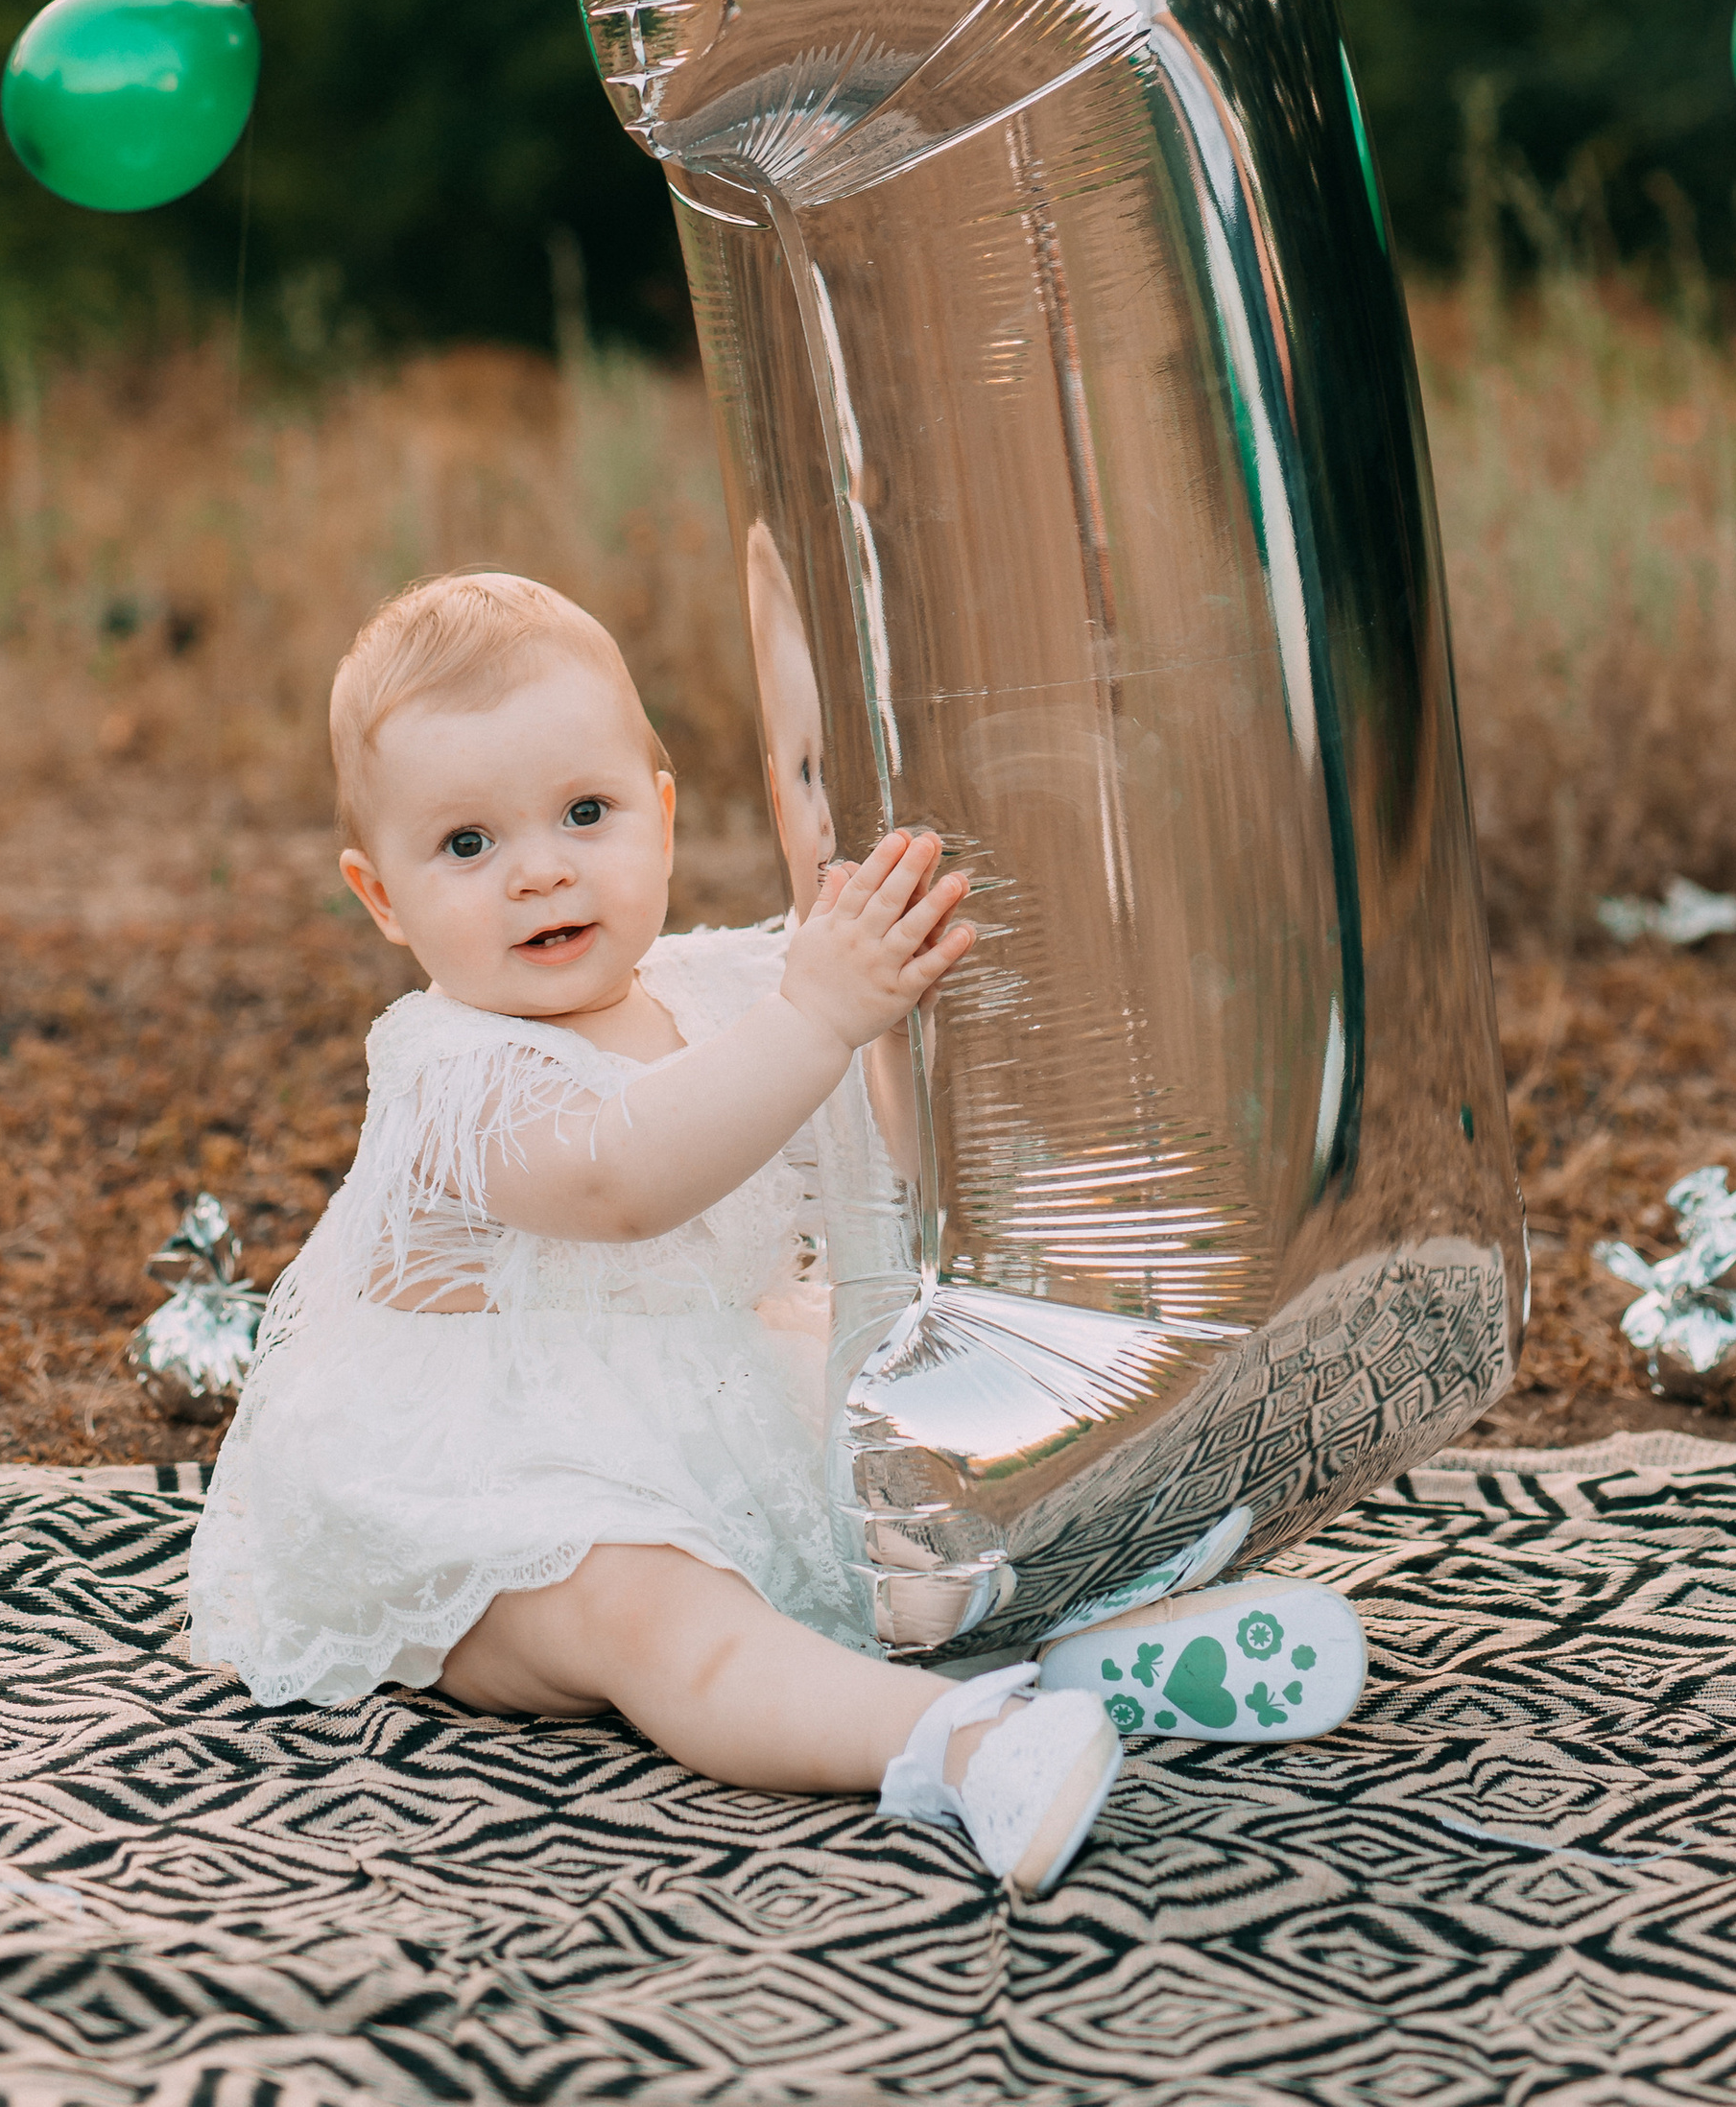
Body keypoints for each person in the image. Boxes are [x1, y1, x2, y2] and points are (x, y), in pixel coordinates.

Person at [185, 566, 1122, 1895]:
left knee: (920, 1505)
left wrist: (870, 971)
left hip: (705, 1408)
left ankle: (1093, 1650)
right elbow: (623, 1179)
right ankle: (956, 1744)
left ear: (662, 816)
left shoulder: (727, 983)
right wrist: (817, 1018)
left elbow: (866, 1065)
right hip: (479, 1494)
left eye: (585, 812)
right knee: (651, 1613)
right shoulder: (453, 1068)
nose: (542, 869)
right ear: (381, 897)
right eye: (467, 846)